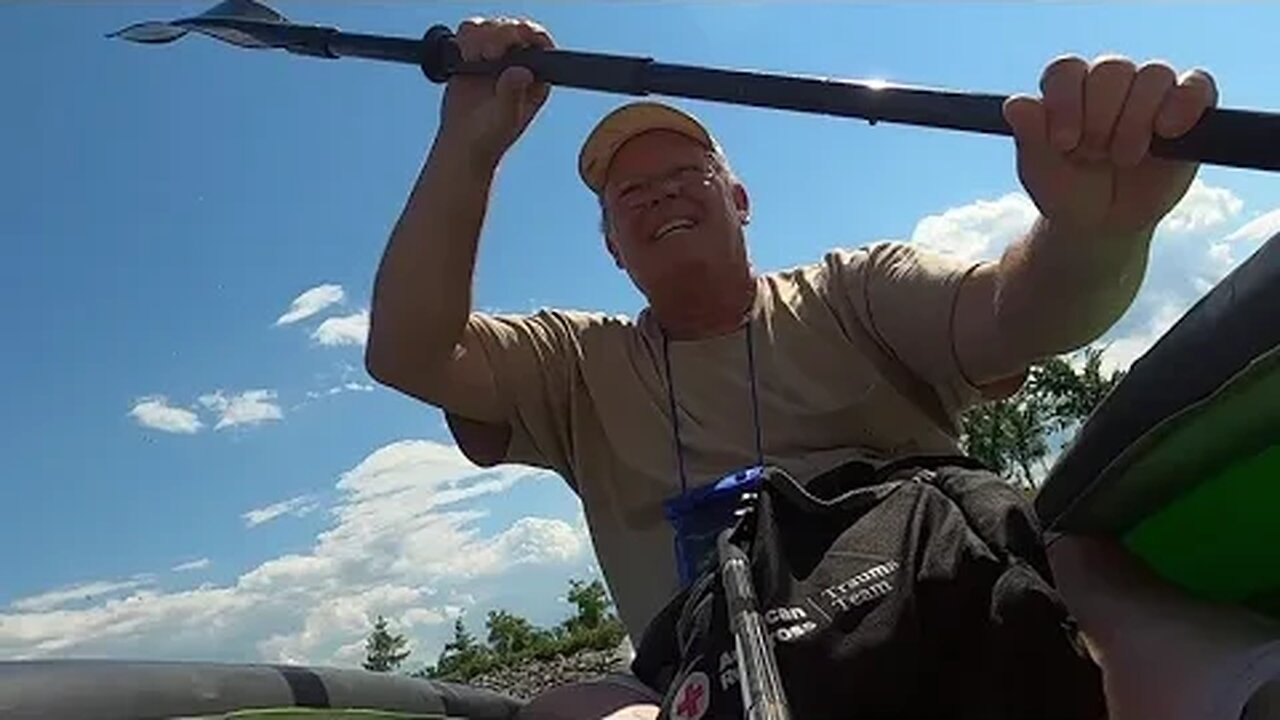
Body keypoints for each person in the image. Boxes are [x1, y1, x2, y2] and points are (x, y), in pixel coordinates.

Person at [365, 15, 1219, 720]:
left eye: (686, 174)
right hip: (702, 671)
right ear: (613, 251)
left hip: (948, 606)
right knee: (571, 707)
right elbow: (408, 354)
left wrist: (1094, 234)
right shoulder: (575, 360)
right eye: (627, 196)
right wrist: (470, 144)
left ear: (739, 201)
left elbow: (1016, 316)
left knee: (1084, 561)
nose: (657, 193)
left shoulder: (852, 289)